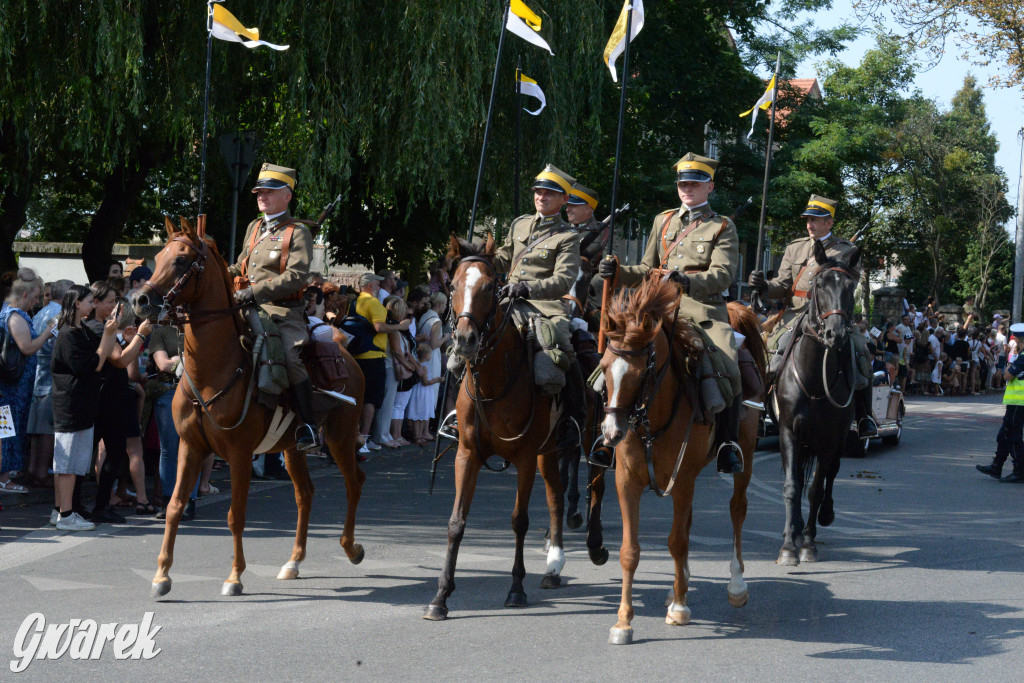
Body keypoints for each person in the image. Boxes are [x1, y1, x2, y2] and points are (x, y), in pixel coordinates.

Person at [601, 153, 744, 473]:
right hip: (657, 309)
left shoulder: (723, 226)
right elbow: (645, 268)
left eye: (695, 183)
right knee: (613, 357)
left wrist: (687, 281)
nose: (687, 188)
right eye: (683, 183)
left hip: (702, 310)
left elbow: (723, 275)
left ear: (710, 187)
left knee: (730, 365)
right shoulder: (662, 220)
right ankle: (608, 431)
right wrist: (617, 270)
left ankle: (726, 443)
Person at [747, 194, 877, 438]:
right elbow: (782, 285)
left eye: (816, 219)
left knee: (860, 350)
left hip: (831, 316)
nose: (809, 224)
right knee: (768, 352)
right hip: (795, 316)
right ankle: (761, 413)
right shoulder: (795, 248)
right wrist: (764, 286)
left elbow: (849, 285)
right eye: (808, 219)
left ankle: (864, 416)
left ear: (829, 222)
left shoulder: (847, 251)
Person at [494, 164, 588, 468]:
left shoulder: (568, 236)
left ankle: (571, 420)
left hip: (545, 305)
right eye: (538, 191)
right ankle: (460, 416)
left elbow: (562, 280)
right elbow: (503, 258)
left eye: (549, 193)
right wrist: (477, 258)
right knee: (467, 339)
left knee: (560, 345)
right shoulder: (519, 224)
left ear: (563, 200)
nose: (541, 196)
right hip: (507, 300)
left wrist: (527, 287)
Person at [228, 163, 320, 451]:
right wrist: (216, 273)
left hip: (282, 312)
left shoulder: (298, 232)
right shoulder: (254, 227)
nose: (261, 196)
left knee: (290, 359)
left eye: (269, 192)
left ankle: (308, 424)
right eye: (259, 192)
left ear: (287, 196)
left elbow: (295, 277)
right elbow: (241, 264)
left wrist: (253, 292)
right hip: (245, 307)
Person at [49, 285, 119, 531]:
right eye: (89, 301)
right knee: (67, 463)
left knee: (73, 462)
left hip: (82, 405)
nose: (93, 304)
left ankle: (60, 510)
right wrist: (109, 336)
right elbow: (92, 366)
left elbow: (99, 356)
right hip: (70, 405)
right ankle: (66, 515)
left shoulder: (81, 330)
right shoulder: (68, 333)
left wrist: (110, 334)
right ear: (77, 303)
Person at [0, 268, 55, 493]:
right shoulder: (15, 316)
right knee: (7, 430)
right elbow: (27, 347)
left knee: (6, 428)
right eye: (34, 297)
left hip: (12, 385)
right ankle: (4, 478)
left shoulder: (7, 312)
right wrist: (48, 332)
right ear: (24, 295)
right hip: (11, 387)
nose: (36, 302)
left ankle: (5, 475)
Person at [353, 273, 410, 456]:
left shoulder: (355, 302)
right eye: (377, 283)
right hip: (372, 356)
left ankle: (358, 436)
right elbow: (380, 327)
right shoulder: (373, 303)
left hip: (356, 354)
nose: (380, 286)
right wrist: (400, 326)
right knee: (371, 400)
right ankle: (364, 438)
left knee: (358, 398)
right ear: (370, 285)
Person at [26, 278, 72, 488]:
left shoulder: (41, 312)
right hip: (49, 377)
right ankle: (42, 472)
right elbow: (55, 349)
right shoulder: (59, 316)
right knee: (46, 429)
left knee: (37, 428)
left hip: (37, 375)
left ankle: (34, 469)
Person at [977, 323, 1024, 483]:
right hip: (1016, 402)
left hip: (1020, 402)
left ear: (1017, 338)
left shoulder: (1023, 357)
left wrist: (1009, 366)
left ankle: (1019, 470)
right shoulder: (1021, 355)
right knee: (1004, 435)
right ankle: (996, 467)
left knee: (1013, 437)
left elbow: (1007, 376)